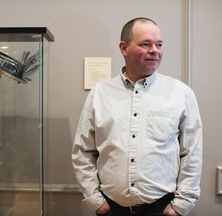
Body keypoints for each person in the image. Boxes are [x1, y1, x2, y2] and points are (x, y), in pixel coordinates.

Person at [71, 17, 202, 216]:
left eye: (159, 44)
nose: (154, 50)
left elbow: (192, 153)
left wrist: (180, 206)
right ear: (124, 48)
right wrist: (95, 200)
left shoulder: (181, 94)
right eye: (145, 44)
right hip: (111, 209)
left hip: (162, 209)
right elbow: (83, 150)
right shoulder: (99, 94)